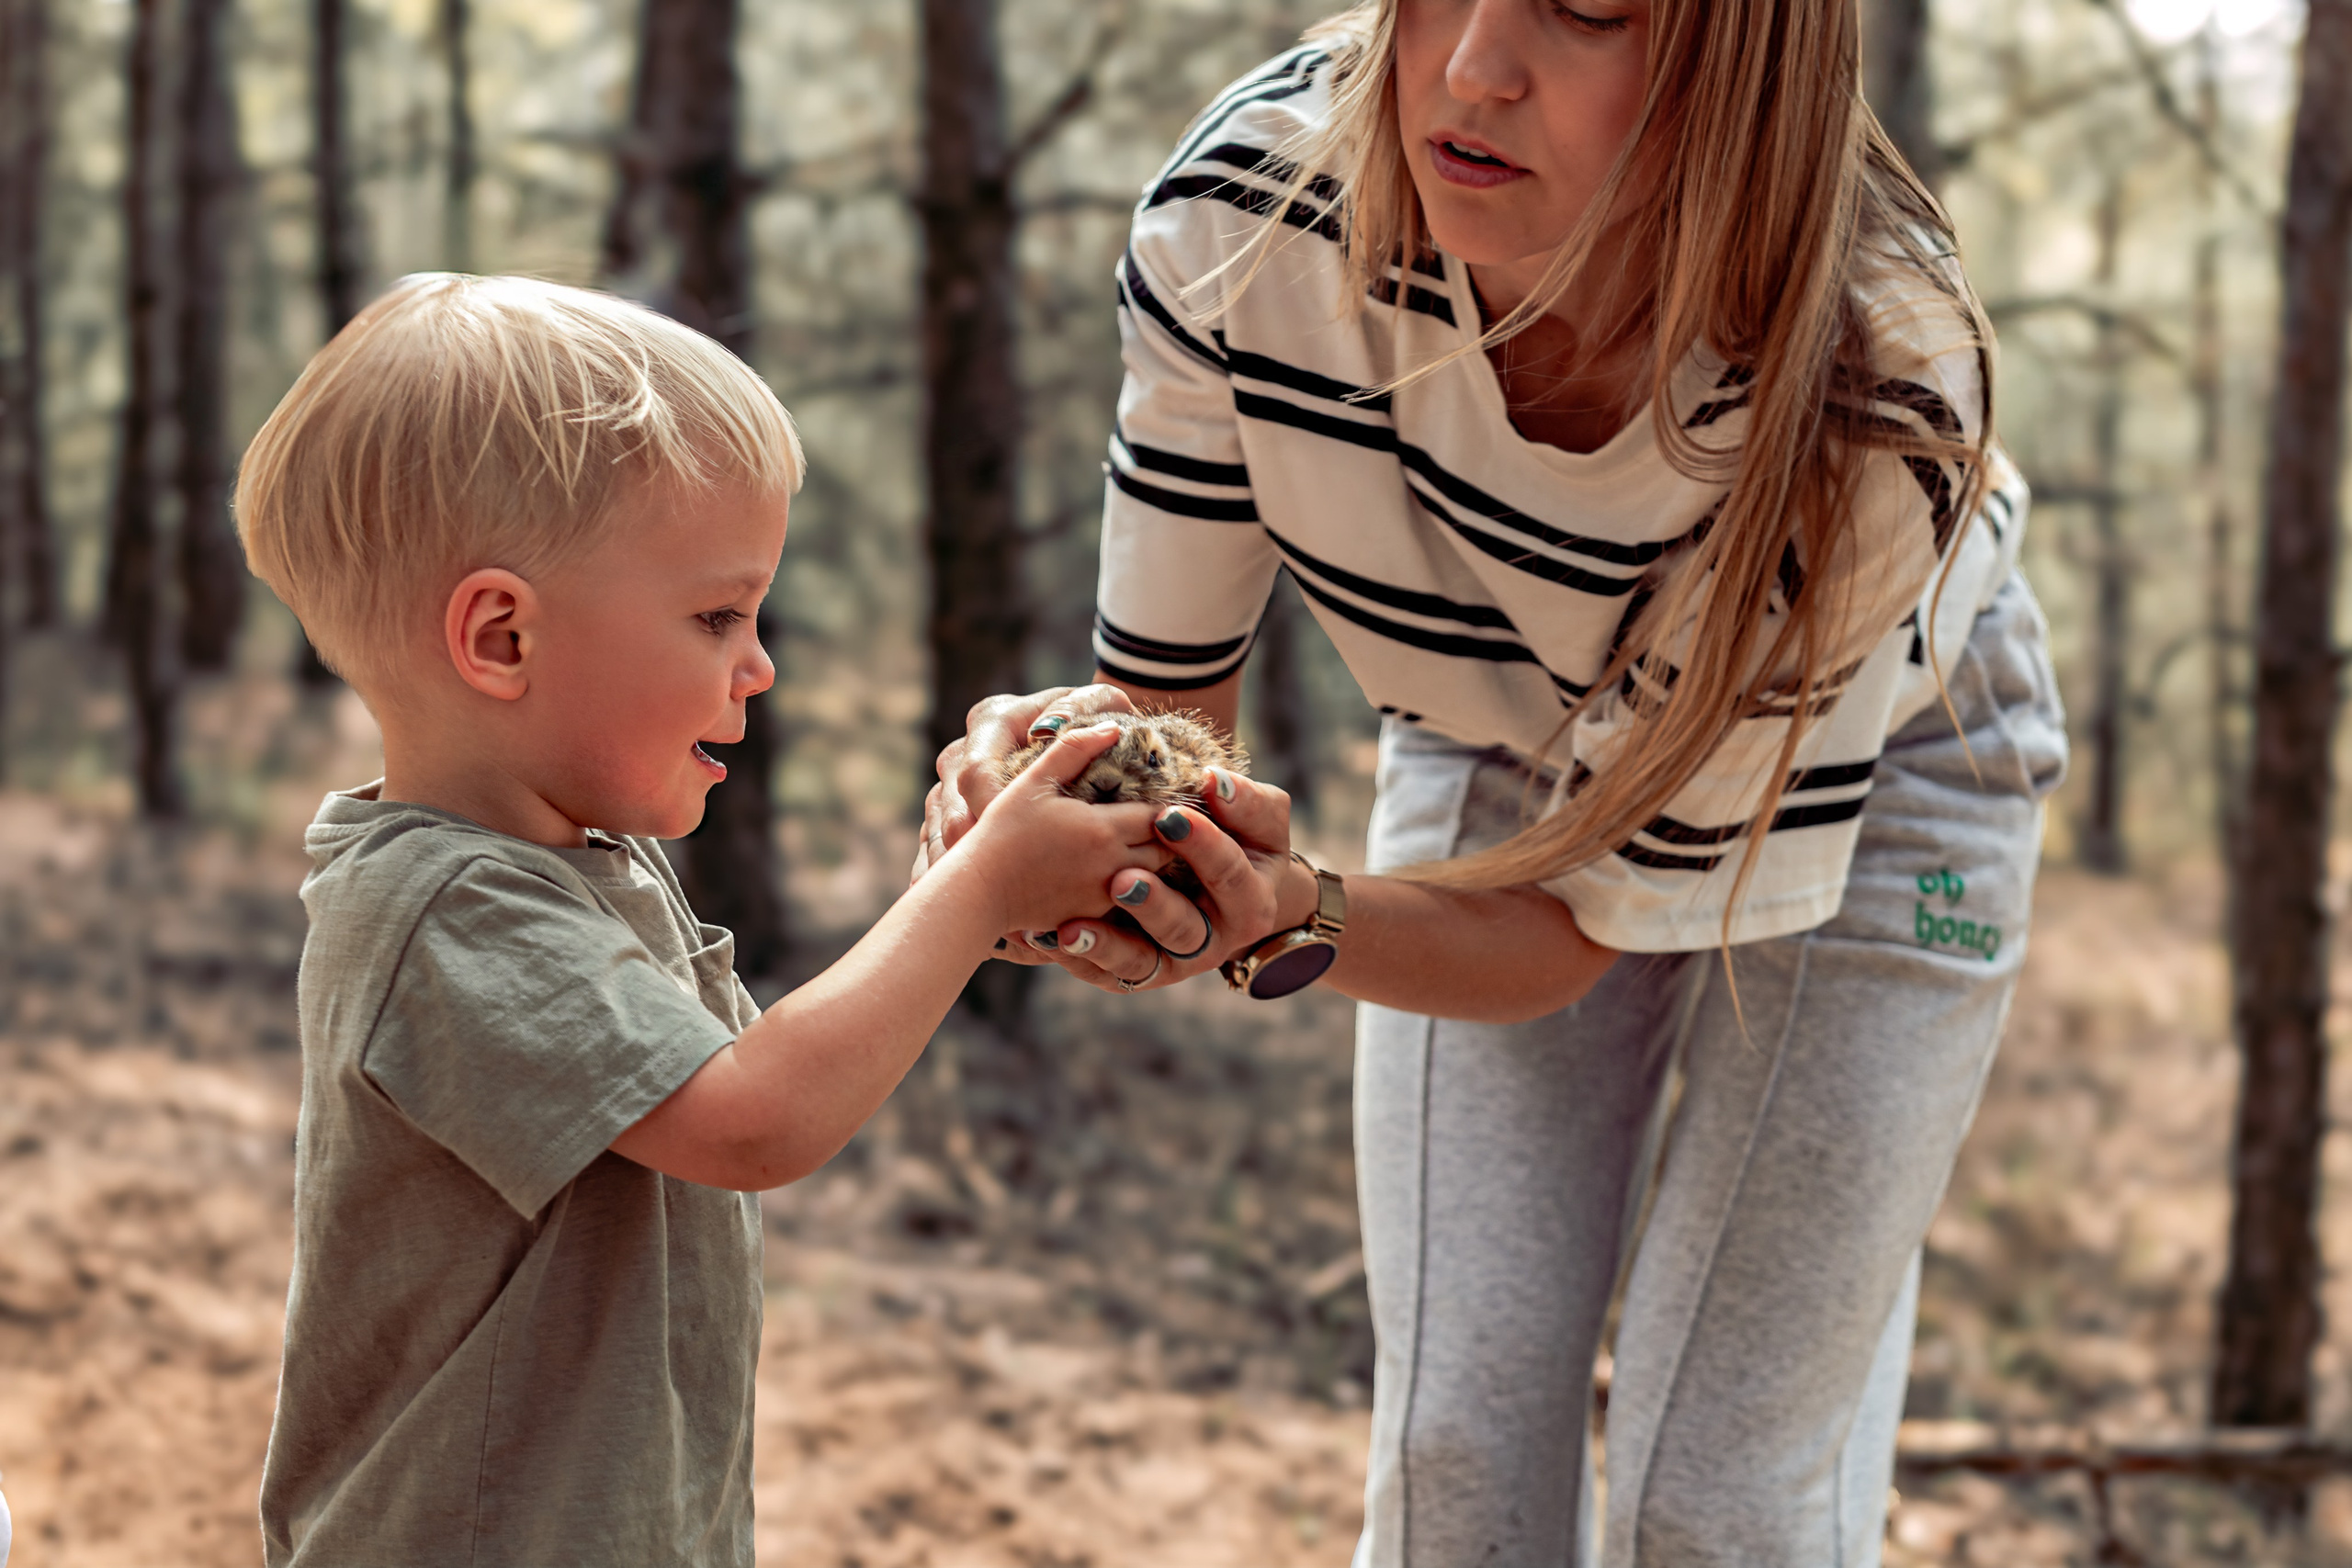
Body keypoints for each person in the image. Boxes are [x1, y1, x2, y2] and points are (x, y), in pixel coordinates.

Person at [920, 0, 2067, 1562]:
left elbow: (1563, 938)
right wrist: (1073, 820)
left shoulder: (1872, 389)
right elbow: (1161, 740)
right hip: (1502, 721)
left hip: (1887, 760)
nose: (1469, 69)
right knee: (1458, 1456)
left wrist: (1284, 913)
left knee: (1718, 1499)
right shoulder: (1247, 216)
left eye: (1583, 8)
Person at [236, 274, 1170, 1566]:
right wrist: (971, 897)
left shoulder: (573, 863)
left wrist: (957, 891)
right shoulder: (448, 908)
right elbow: (752, 1118)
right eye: (717, 615)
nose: (759, 663)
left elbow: (770, 1068)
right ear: (501, 637)